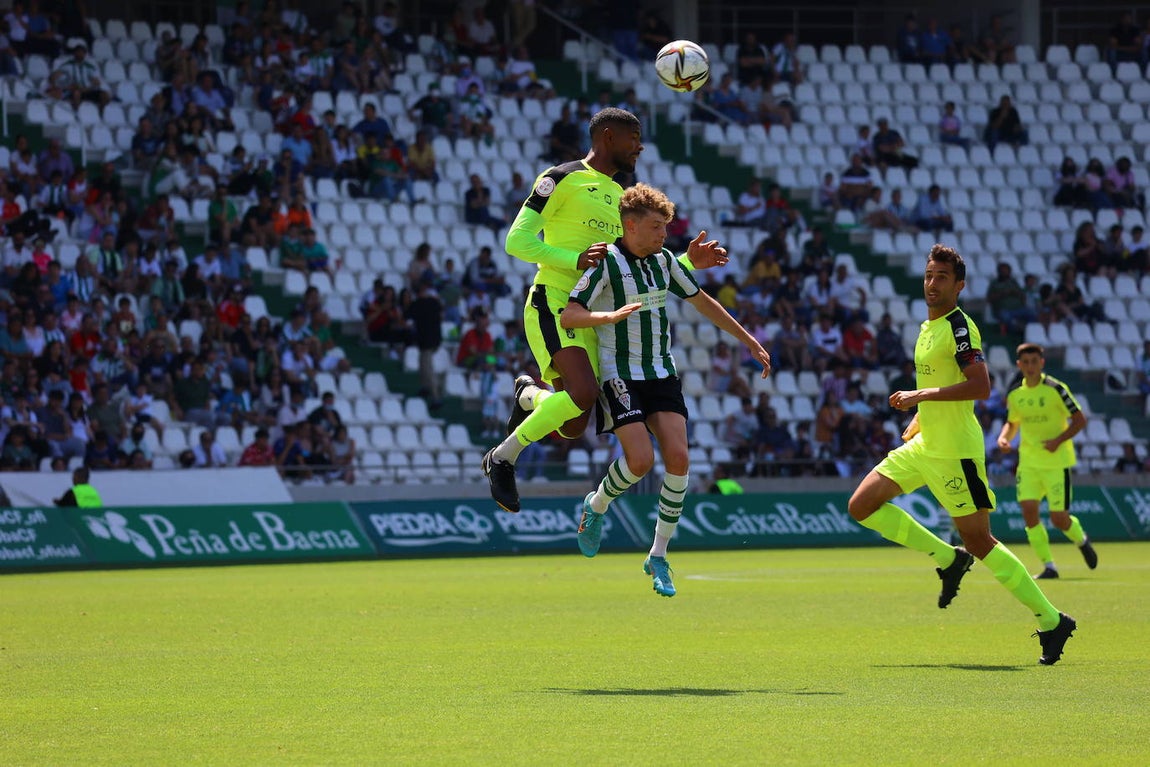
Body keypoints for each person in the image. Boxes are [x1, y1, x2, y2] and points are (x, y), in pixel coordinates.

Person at [481, 107, 727, 513]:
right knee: (581, 393)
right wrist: (574, 259)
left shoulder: (621, 199)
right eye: (634, 139)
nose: (640, 147)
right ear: (608, 136)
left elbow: (637, 266)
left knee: (573, 424)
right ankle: (502, 458)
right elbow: (516, 242)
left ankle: (529, 396)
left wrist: (686, 263)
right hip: (556, 301)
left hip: (595, 319)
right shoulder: (560, 178)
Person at [846, 245, 1077, 665]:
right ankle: (948, 558)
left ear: (959, 285)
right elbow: (942, 380)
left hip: (956, 452)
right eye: (929, 275)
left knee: (980, 540)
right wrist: (920, 416)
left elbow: (980, 385)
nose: (932, 284)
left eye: (942, 278)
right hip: (924, 444)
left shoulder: (959, 327)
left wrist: (920, 395)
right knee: (861, 505)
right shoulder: (926, 327)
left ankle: (1051, 620)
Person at [560, 183, 771, 596]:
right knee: (639, 461)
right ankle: (596, 505)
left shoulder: (664, 262)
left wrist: (748, 340)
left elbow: (703, 301)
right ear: (631, 225)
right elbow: (569, 316)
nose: (663, 235)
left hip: (661, 373)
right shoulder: (605, 263)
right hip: (619, 374)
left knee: (679, 458)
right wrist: (609, 316)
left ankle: (658, 554)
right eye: (657, 227)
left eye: (665, 228)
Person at [996, 344, 1097, 579]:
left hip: (1055, 463)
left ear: (1042, 363)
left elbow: (1079, 420)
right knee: (1029, 511)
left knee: (1058, 519)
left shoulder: (1057, 389)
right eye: (1025, 362)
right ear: (1019, 365)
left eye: (1034, 361)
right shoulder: (1015, 395)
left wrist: (1058, 440)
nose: (1030, 366)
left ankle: (1081, 540)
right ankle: (1049, 566)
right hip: (1029, 463)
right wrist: (1003, 438)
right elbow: (1013, 423)